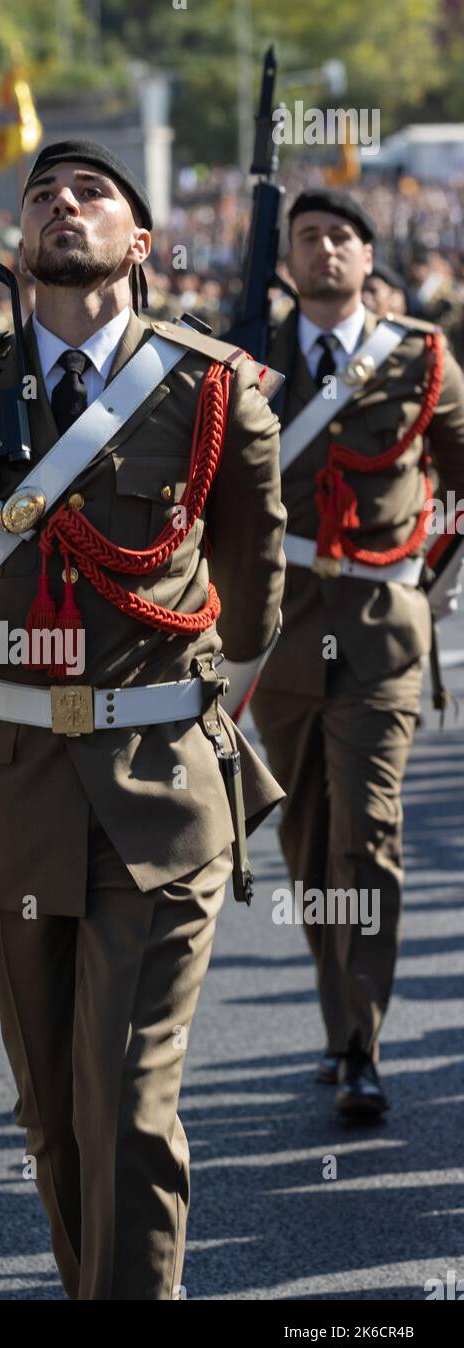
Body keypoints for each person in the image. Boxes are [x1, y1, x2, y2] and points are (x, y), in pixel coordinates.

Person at [0, 139, 286, 1300]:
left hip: (158, 789)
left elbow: (252, 599)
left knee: (125, 1103)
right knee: (52, 1113)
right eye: (42, 196)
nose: (64, 206)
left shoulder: (210, 392)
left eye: (91, 194)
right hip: (7, 786)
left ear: (138, 243)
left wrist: (201, 722)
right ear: (15, 243)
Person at [251, 189, 464, 1116]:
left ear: (368, 256)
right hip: (284, 639)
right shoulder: (246, 361)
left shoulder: (421, 359)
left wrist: (428, 575)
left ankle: (359, 1042)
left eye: (343, 236)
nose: (327, 250)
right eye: (309, 238)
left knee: (366, 835)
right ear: (287, 260)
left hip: (381, 632)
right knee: (306, 842)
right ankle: (340, 1015)